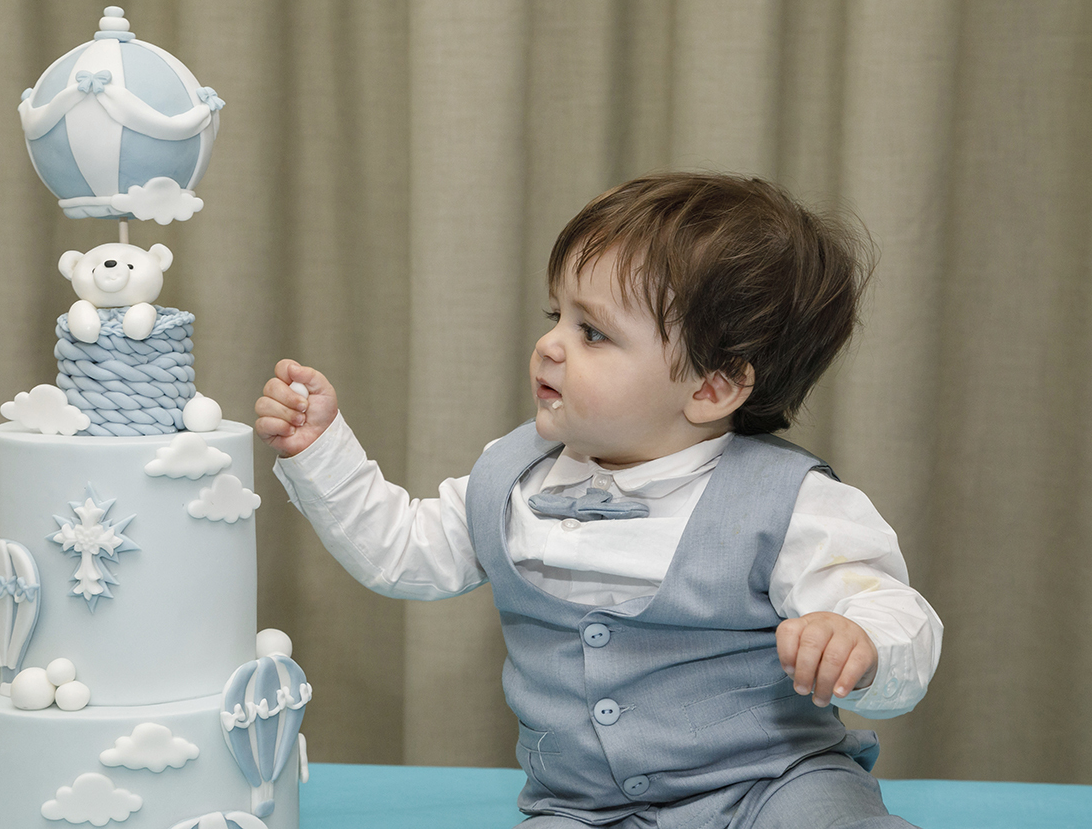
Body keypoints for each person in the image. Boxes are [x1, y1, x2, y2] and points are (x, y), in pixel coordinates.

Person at [255, 173, 942, 829]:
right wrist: (320, 451)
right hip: (586, 807)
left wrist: (858, 645)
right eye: (558, 314)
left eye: (593, 332)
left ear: (711, 388)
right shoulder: (514, 480)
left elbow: (894, 614)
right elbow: (401, 552)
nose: (550, 344)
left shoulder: (792, 504)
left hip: (775, 784)